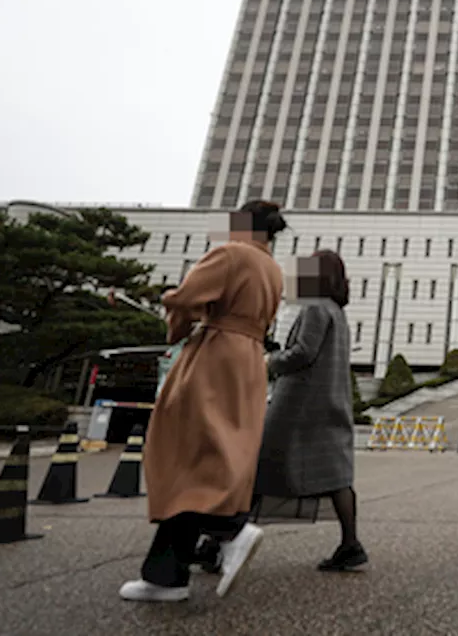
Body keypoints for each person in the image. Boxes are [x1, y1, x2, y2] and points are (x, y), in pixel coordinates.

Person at [119, 200, 287, 603]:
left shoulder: (230, 253)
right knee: (213, 456)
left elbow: (186, 300)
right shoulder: (273, 269)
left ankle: (230, 529)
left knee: (188, 453)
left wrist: (170, 302)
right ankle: (166, 576)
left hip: (215, 356)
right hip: (247, 360)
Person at [254, 249, 367, 571]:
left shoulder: (316, 307)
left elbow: (303, 353)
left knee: (260, 463)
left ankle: (221, 539)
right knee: (336, 476)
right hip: (330, 402)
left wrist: (269, 362)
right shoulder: (337, 311)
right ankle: (350, 543)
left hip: (300, 406)